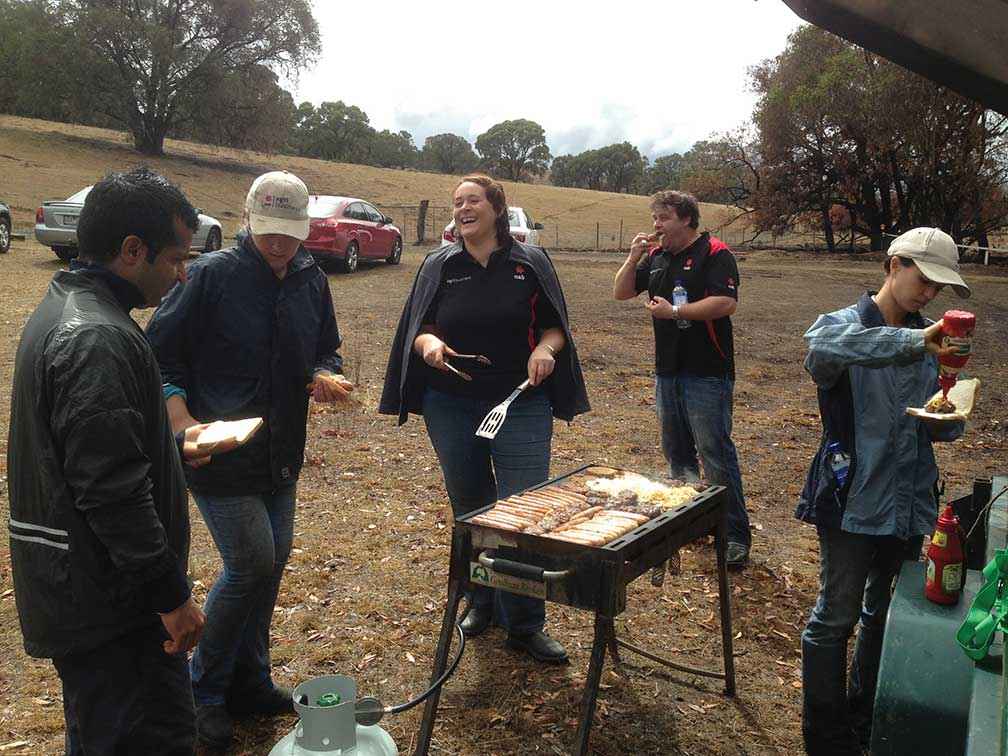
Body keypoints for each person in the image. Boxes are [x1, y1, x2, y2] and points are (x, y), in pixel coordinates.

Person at [7, 167, 226, 754]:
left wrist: (172, 446)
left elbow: (92, 449)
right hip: (110, 606)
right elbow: (110, 491)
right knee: (146, 736)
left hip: (88, 590)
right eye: (176, 258)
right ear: (133, 250)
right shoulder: (95, 338)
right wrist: (171, 598)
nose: (183, 273)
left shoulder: (73, 305)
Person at [146, 170, 353, 748]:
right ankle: (204, 689)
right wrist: (180, 420)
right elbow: (158, 358)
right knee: (251, 562)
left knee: (273, 562)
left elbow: (325, 347)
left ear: (304, 228)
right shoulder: (210, 277)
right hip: (218, 453)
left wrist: (324, 374)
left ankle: (250, 680)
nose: (279, 244)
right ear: (246, 219)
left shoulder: (311, 280)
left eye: (289, 232)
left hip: (281, 450)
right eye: (268, 231)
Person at [380, 174, 590, 663]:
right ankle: (482, 602)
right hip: (450, 404)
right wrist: (429, 345)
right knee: (472, 508)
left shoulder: (528, 262)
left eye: (472, 200)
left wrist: (544, 348)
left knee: (522, 513)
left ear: (497, 207)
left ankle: (525, 623)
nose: (462, 208)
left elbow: (556, 326)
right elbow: (419, 326)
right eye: (457, 202)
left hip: (520, 401)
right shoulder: (440, 265)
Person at [797, 227, 970, 754]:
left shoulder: (930, 336)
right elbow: (820, 349)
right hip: (852, 494)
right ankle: (825, 736)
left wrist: (949, 409)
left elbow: (938, 426)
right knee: (836, 615)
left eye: (939, 289)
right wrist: (919, 341)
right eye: (924, 280)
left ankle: (865, 710)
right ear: (894, 265)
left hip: (907, 496)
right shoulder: (841, 327)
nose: (928, 296)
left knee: (885, 611)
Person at [612, 190, 751, 568]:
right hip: (667, 370)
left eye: (664, 218)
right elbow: (621, 291)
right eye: (655, 218)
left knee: (715, 453)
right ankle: (689, 521)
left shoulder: (715, 252)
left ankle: (734, 534)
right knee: (677, 452)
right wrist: (632, 258)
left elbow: (726, 303)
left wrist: (675, 311)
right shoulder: (657, 257)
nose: (656, 225)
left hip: (707, 372)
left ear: (687, 219)